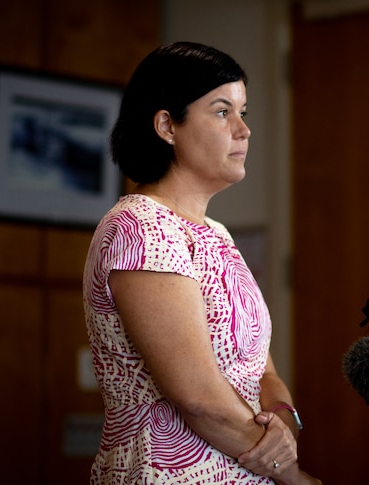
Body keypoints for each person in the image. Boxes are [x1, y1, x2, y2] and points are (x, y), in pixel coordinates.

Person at [82, 41, 320, 484]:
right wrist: (293, 477)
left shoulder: (217, 234)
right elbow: (199, 398)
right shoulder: (139, 226)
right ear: (167, 126)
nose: (244, 129)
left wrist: (286, 420)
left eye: (243, 112)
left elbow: (260, 370)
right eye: (221, 111)